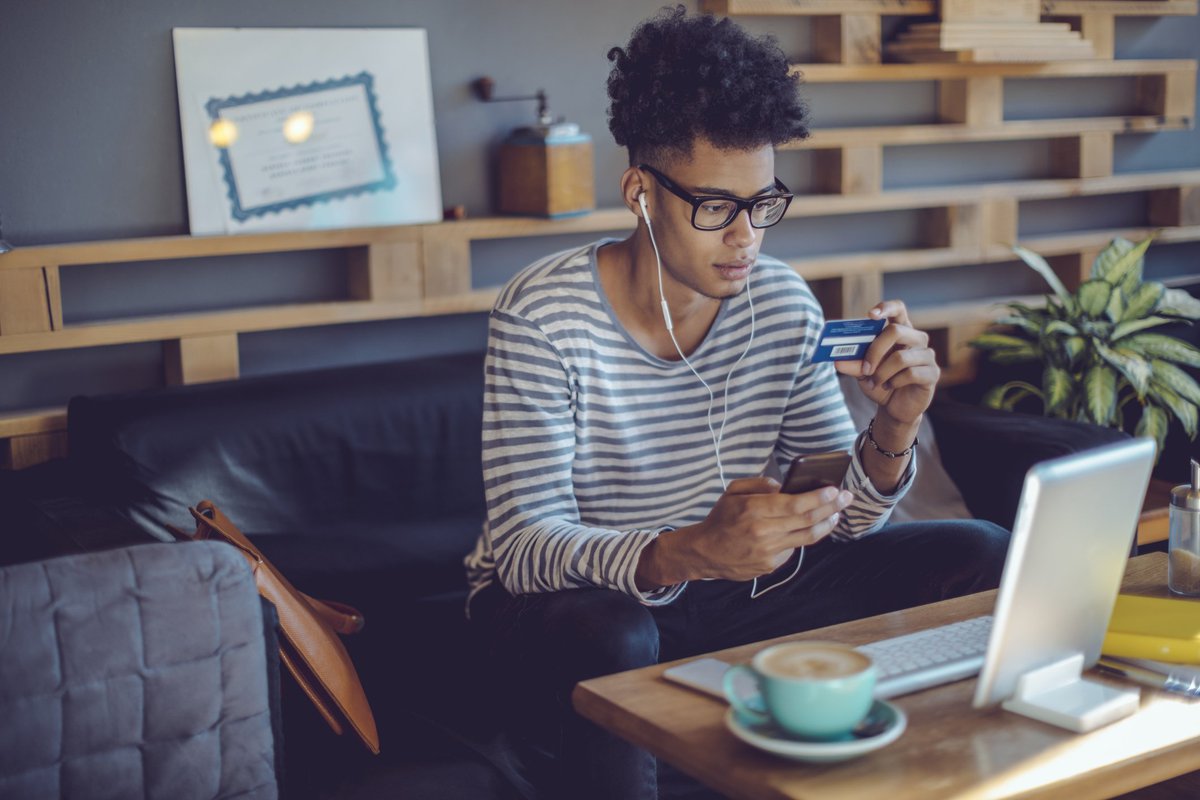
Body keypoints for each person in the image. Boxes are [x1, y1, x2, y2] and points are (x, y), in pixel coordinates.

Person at [464, 7, 1010, 798]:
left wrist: (895, 423)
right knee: (617, 630)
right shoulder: (542, 317)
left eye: (763, 205)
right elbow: (522, 550)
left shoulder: (780, 303)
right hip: (575, 608)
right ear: (640, 192)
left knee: (982, 551)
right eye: (716, 208)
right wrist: (687, 549)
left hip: (730, 591)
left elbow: (845, 521)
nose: (746, 238)